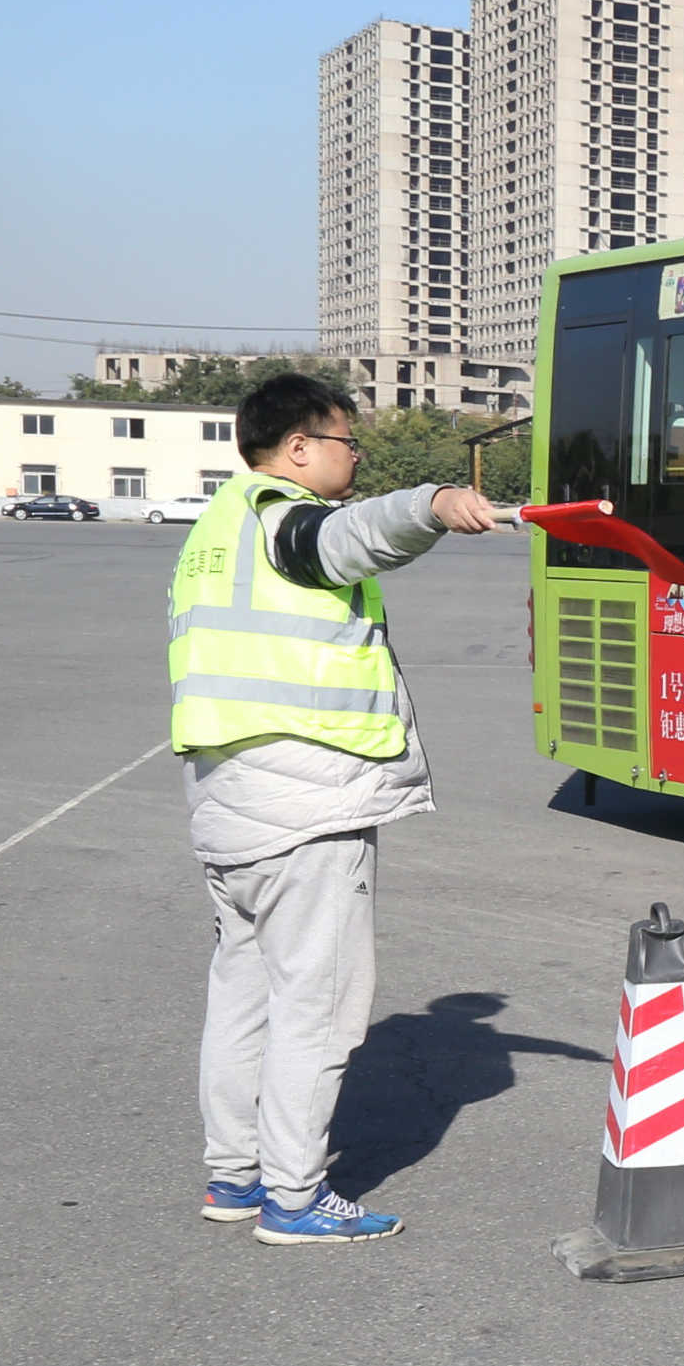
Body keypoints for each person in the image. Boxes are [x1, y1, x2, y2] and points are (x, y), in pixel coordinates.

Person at [170, 374, 514, 1244]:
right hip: (305, 804)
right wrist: (432, 502)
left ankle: (235, 1176)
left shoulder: (217, 529)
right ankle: (293, 1197)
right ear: (297, 448)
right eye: (345, 441)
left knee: (243, 997)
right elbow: (351, 535)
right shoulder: (288, 521)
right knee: (316, 1005)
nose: (354, 456)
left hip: (226, 799)